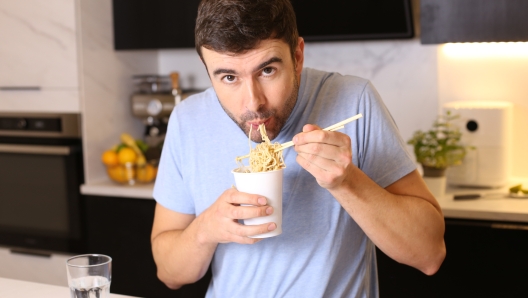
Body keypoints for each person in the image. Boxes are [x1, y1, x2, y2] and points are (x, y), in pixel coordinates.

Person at [151, 0, 446, 296]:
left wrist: (347, 182)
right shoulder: (188, 119)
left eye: (267, 70)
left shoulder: (354, 101)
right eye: (229, 77)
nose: (253, 103)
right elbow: (169, 273)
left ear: (297, 56)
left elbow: (429, 254)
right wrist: (206, 229)